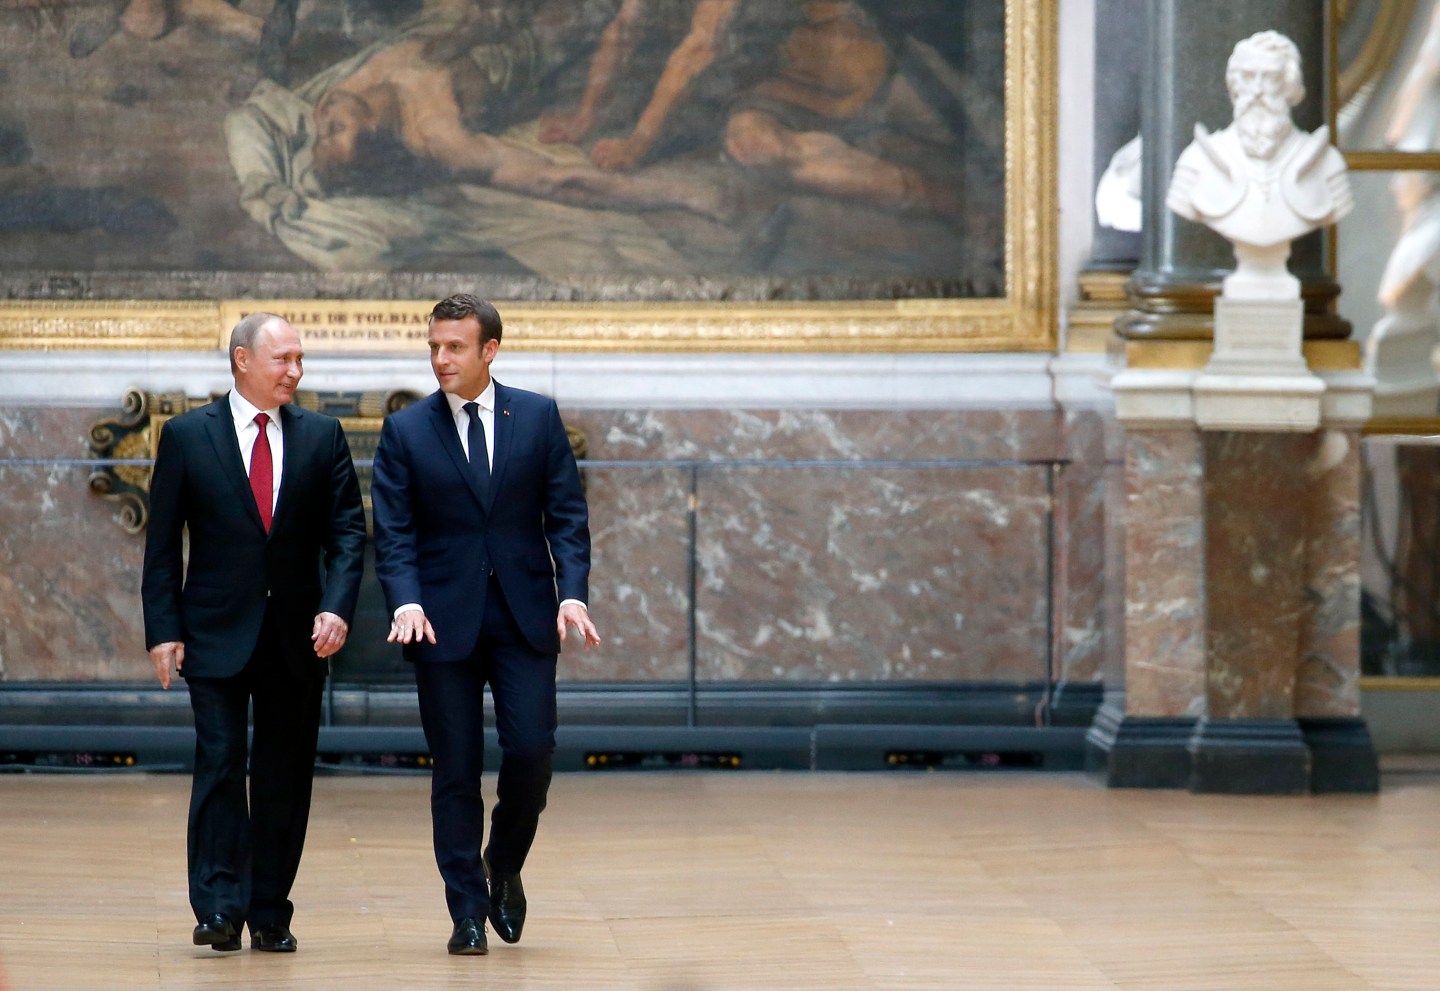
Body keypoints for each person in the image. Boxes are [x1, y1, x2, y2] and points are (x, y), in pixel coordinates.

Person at [370, 293, 601, 956]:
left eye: (455, 346)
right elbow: (395, 532)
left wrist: (573, 593)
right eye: (434, 345)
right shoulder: (408, 430)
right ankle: (466, 910)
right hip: (440, 623)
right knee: (456, 768)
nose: (440, 357)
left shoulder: (536, 416)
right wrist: (405, 600)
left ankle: (504, 860)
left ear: (489, 350)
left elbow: (567, 517)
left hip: (525, 615)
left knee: (532, 750)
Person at [141, 313, 367, 954]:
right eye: (283, 359)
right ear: (243, 360)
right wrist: (163, 630)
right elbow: (162, 547)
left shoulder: (322, 436)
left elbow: (348, 532)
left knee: (284, 774)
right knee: (218, 765)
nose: (295, 370)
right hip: (212, 632)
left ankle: (269, 909)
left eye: (300, 359)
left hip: (298, 637)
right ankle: (217, 908)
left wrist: (338, 607)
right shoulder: (188, 436)